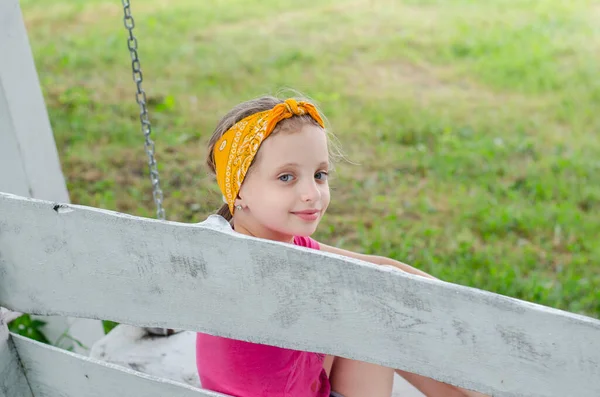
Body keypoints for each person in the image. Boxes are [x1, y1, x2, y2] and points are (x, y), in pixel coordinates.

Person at [196, 95, 487, 397]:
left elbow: (382, 267)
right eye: (286, 177)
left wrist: (464, 306)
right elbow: (380, 286)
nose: (312, 193)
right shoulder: (269, 265)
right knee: (375, 309)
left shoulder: (229, 245)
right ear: (238, 190)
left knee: (375, 293)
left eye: (319, 175)